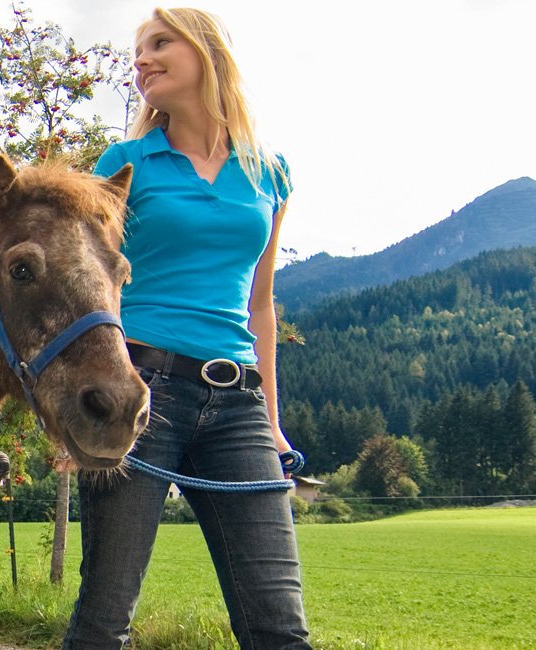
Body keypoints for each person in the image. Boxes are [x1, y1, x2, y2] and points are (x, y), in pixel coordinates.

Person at [63, 8, 308, 649]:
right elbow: (88, 289)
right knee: (104, 619)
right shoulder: (125, 162)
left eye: (159, 43)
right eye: (137, 50)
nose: (140, 60)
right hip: (141, 390)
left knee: (278, 627)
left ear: (206, 51)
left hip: (238, 403)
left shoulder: (270, 172)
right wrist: (83, 406)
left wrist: (274, 422)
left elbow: (261, 304)